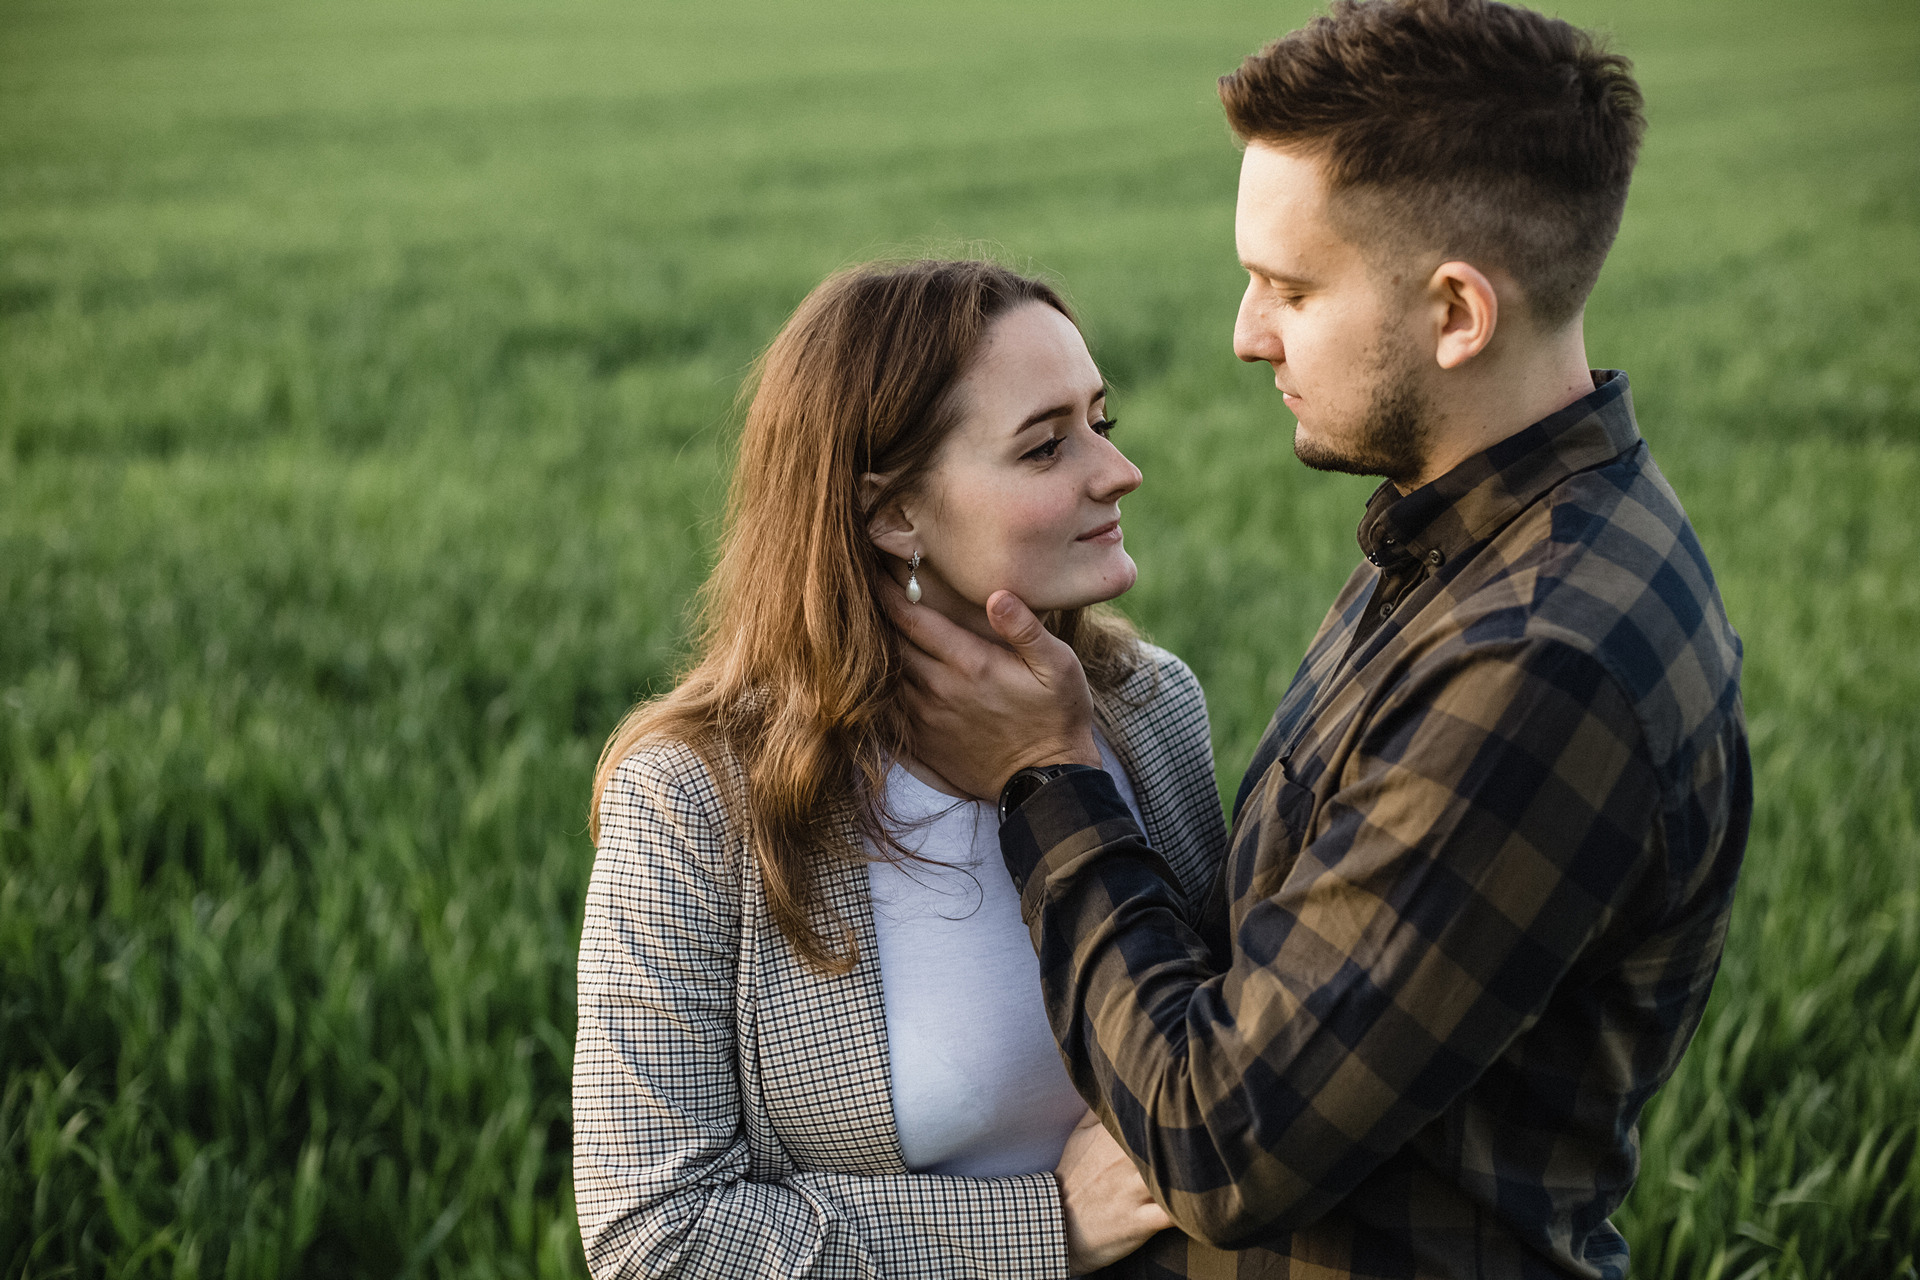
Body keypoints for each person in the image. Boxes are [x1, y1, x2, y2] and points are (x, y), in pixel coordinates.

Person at [889, 3, 1752, 1277]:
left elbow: (1220, 1139)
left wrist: (1049, 775)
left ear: (1458, 313)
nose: (1246, 332)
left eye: (1290, 286)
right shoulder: (1467, 542)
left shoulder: (1539, 660)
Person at [572, 259, 1231, 1277]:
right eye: (1047, 444)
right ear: (894, 516)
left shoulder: (1148, 706)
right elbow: (654, 1232)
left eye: (1104, 419)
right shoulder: (698, 799)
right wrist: (1044, 1227)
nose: (1116, 470)